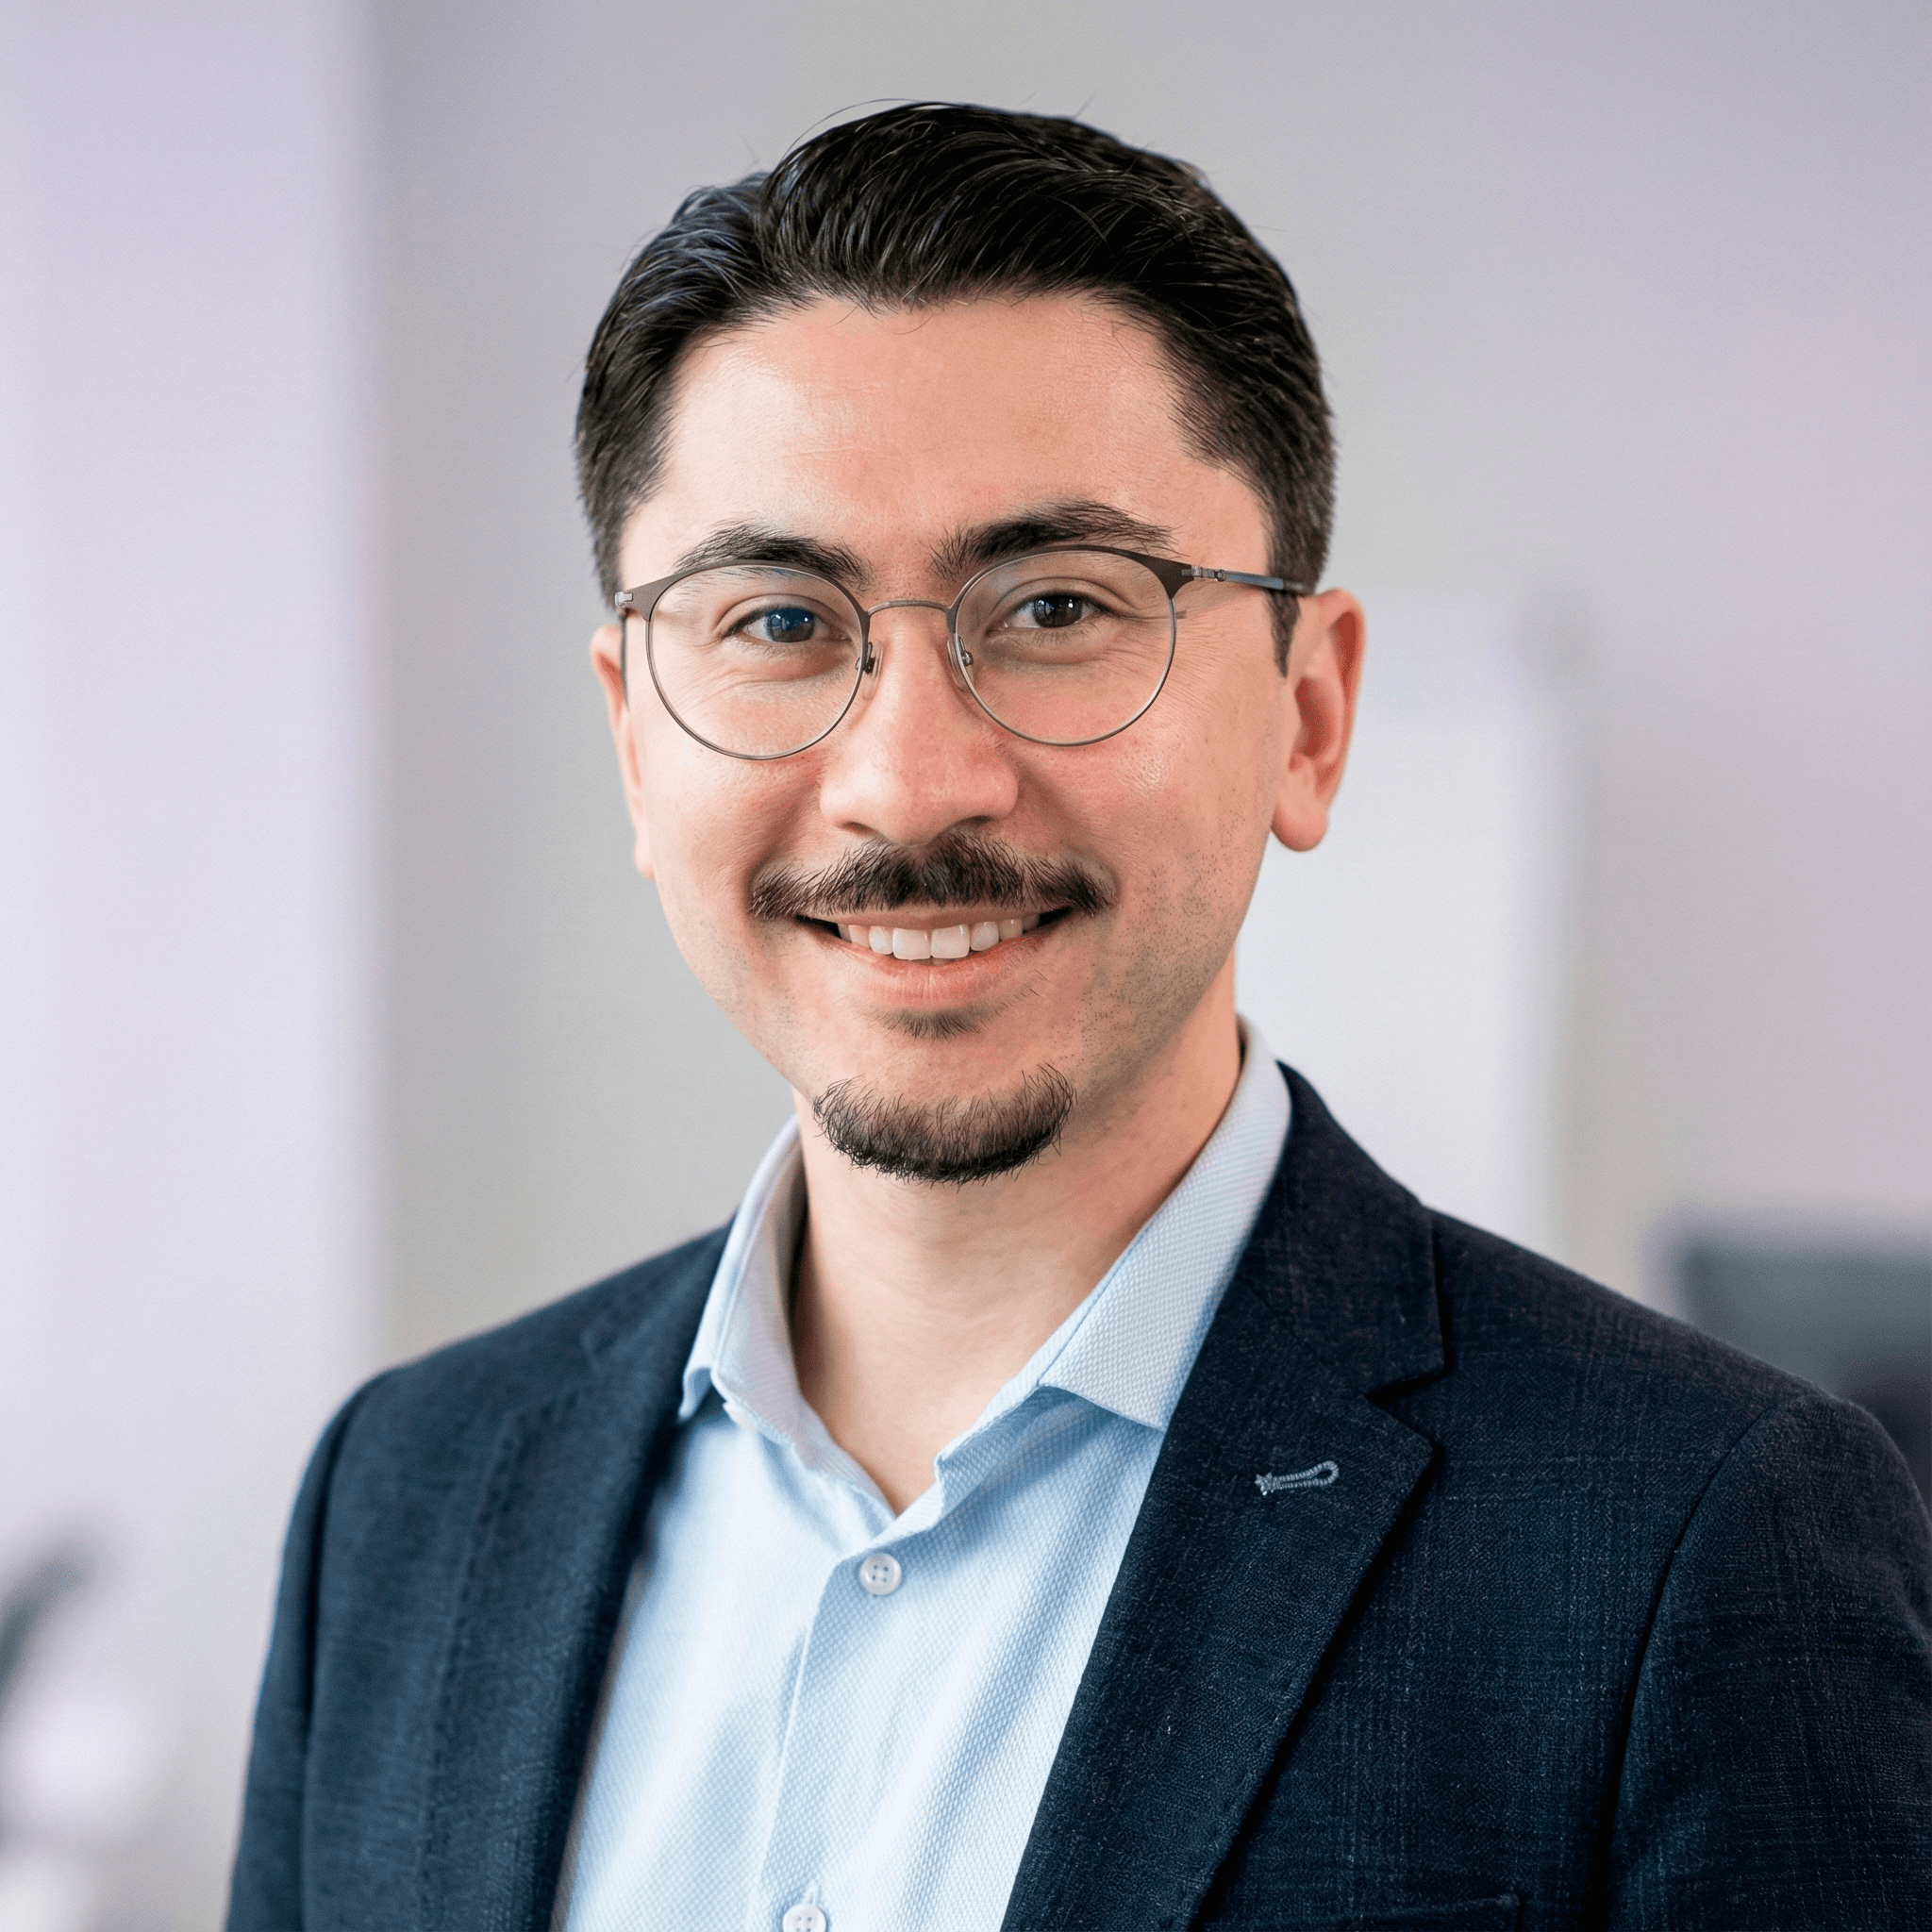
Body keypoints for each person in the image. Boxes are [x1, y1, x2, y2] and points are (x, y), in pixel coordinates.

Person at [227, 105, 1930, 1931]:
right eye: (779, 619)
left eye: (1052, 607)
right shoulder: (407, 1496)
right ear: (637, 737)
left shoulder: (1690, 1539)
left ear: (1307, 712)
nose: (905, 784)